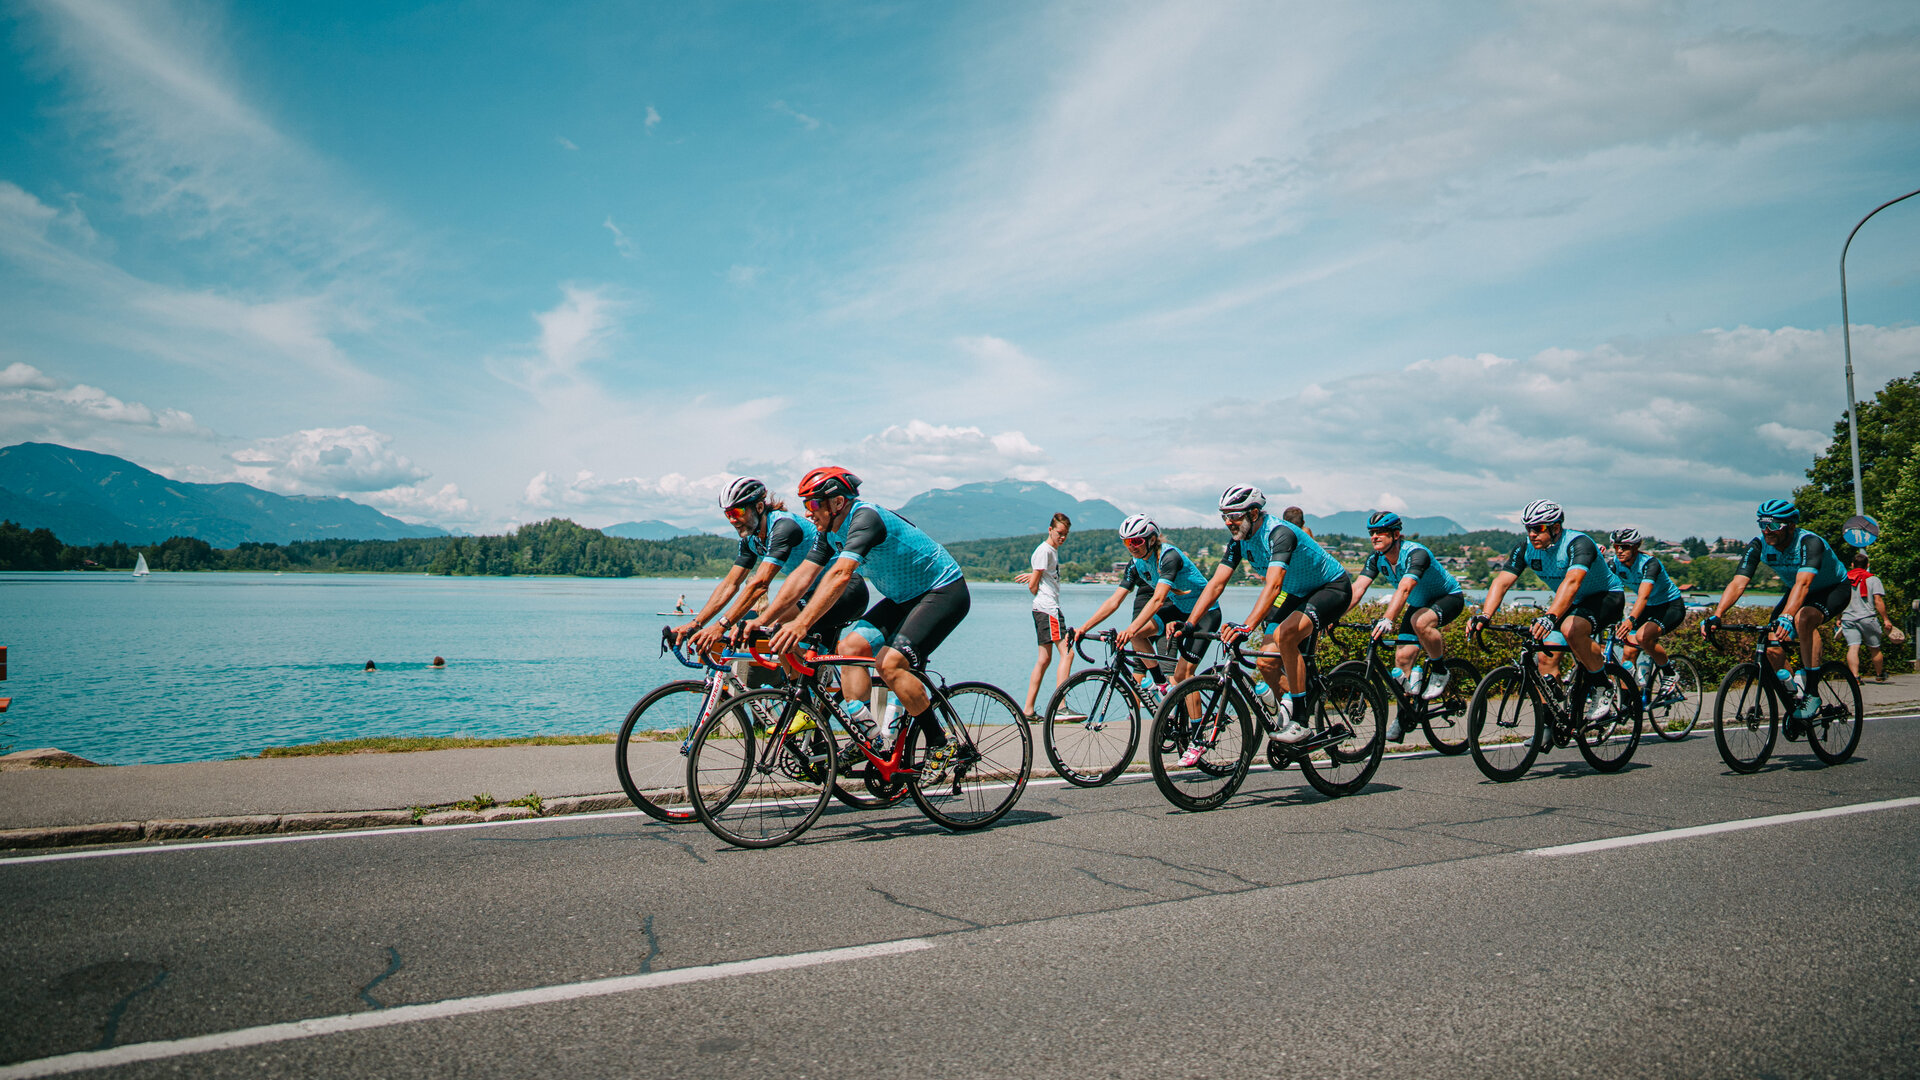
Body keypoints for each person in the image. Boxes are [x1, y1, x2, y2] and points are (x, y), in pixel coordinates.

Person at [765, 467, 968, 770]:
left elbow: (840, 574)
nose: (809, 513)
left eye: (813, 504)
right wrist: (764, 620)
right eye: (805, 505)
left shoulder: (865, 518)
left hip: (943, 591)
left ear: (837, 503)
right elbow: (802, 576)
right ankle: (867, 736)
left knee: (889, 664)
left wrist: (802, 623)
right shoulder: (829, 533)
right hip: (904, 599)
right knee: (850, 648)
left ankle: (941, 743)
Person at [1180, 485, 1353, 754]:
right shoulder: (1239, 541)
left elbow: (1273, 587)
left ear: (1254, 512)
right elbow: (1215, 585)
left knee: (1286, 636)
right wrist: (1190, 624)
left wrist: (1247, 625)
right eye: (1224, 516)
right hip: (1297, 592)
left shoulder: (1279, 533)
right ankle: (1294, 705)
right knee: (1266, 662)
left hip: (1331, 587)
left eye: (1234, 516)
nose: (1228, 522)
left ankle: (1300, 722)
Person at [673, 478, 868, 670]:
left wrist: (721, 625)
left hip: (845, 591)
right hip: (813, 595)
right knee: (779, 640)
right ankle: (801, 694)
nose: (733, 519)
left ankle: (811, 684)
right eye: (728, 514)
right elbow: (730, 584)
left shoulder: (783, 527)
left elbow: (759, 584)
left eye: (737, 512)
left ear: (759, 507)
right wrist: (696, 623)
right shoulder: (751, 539)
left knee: (775, 627)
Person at [1472, 500, 1625, 721]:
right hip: (1572, 601)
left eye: (1539, 528)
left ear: (1555, 528)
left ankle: (1602, 685)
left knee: (1572, 630)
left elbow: (1573, 582)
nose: (1532, 534)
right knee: (1544, 658)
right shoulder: (1526, 548)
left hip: (1606, 596)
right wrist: (1485, 615)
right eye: (1528, 528)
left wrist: (1550, 617)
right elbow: (1502, 582)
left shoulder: (1579, 543)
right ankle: (1549, 723)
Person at [1702, 499, 1851, 723]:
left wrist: (1787, 616)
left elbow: (1803, 584)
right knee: (1771, 645)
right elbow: (1738, 583)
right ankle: (1795, 693)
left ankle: (1811, 691)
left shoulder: (1809, 542)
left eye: (1773, 526)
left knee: (1804, 618)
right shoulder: (1759, 545)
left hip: (1832, 589)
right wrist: (1718, 614)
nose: (1766, 531)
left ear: (1791, 526)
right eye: (1762, 524)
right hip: (1798, 591)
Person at [1075, 514, 1223, 700]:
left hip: (1205, 613)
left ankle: (1195, 727)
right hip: (1180, 608)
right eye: (1127, 542)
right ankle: (1161, 684)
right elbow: (1115, 601)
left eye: (1136, 541)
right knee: (1137, 635)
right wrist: (1084, 627)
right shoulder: (1135, 564)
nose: (1131, 546)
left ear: (1152, 539)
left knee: (1183, 676)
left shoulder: (1169, 557)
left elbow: (1158, 600)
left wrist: (1129, 629)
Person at [1349, 510, 1465, 740]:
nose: (1374, 537)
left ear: (1396, 534)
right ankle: (1405, 716)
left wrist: (1387, 619)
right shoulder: (1376, 559)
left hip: (1447, 597)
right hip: (1418, 604)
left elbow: (1404, 589)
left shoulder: (1416, 554)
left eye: (1380, 532)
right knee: (1401, 662)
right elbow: (1357, 590)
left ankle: (1440, 670)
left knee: (1420, 621)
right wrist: (1333, 616)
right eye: (1372, 532)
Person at [1606, 527, 1686, 699]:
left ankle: (1670, 674)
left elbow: (1643, 596)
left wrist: (1630, 620)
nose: (1619, 551)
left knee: (1643, 637)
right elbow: (1605, 588)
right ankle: (1628, 701)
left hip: (1670, 606)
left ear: (1636, 547)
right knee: (1628, 653)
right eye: (1616, 546)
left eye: (1625, 547)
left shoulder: (1650, 564)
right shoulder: (1614, 564)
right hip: (1648, 608)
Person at [1015, 513, 1072, 721]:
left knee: (1044, 659)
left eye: (1066, 534)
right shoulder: (1045, 551)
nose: (1062, 538)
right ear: (1050, 530)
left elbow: (1041, 577)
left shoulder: (1050, 551)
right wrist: (1036, 585)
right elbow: (1033, 585)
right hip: (1048, 609)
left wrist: (1036, 579)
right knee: (1068, 653)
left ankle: (1028, 710)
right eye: (1059, 533)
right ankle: (1061, 706)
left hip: (1044, 609)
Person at [1840, 551, 1897, 683]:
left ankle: (1855, 677)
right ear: (1867, 565)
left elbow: (1840, 600)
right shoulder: (1873, 579)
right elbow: (1878, 601)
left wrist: (1838, 618)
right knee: (1875, 648)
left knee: (1853, 647)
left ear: (1852, 565)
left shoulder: (1844, 579)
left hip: (1848, 618)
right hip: (1868, 618)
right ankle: (1879, 675)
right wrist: (1886, 619)